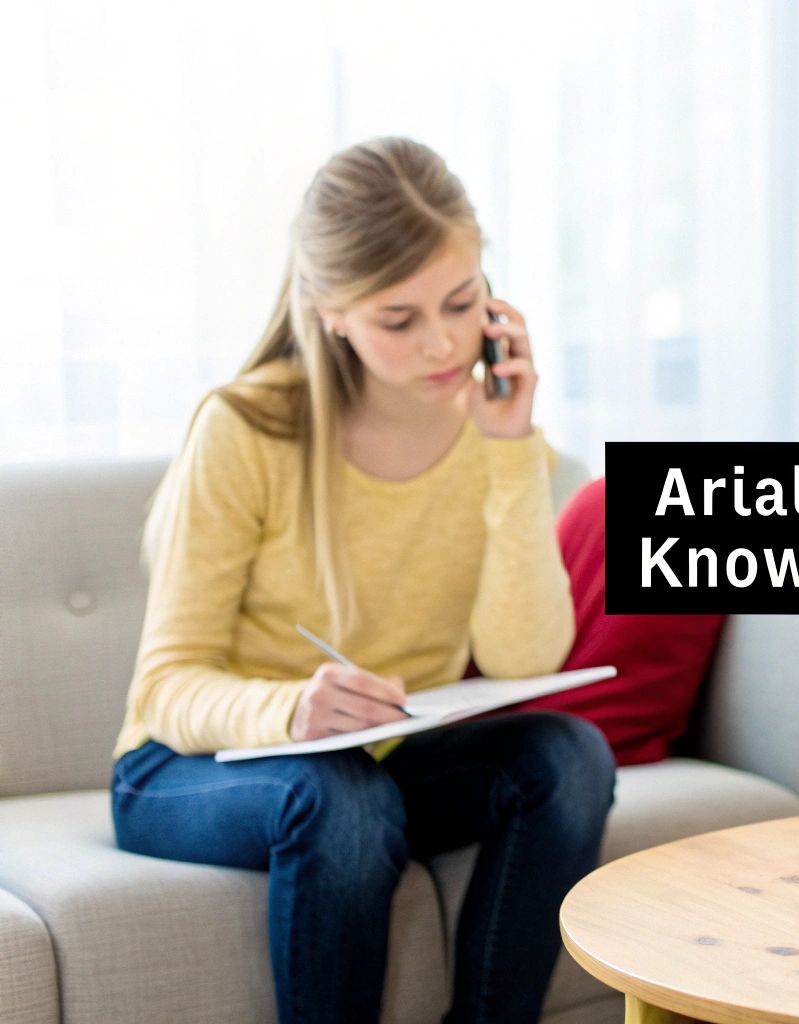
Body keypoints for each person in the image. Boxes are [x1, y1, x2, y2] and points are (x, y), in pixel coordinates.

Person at [111, 137, 616, 1024]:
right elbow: (164, 689)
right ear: (329, 309)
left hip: (373, 765)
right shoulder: (246, 430)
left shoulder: (489, 429)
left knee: (568, 757)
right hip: (193, 771)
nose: (446, 343)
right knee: (337, 797)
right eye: (400, 319)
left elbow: (524, 654)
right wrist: (291, 712)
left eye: (463, 302)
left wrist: (509, 451)